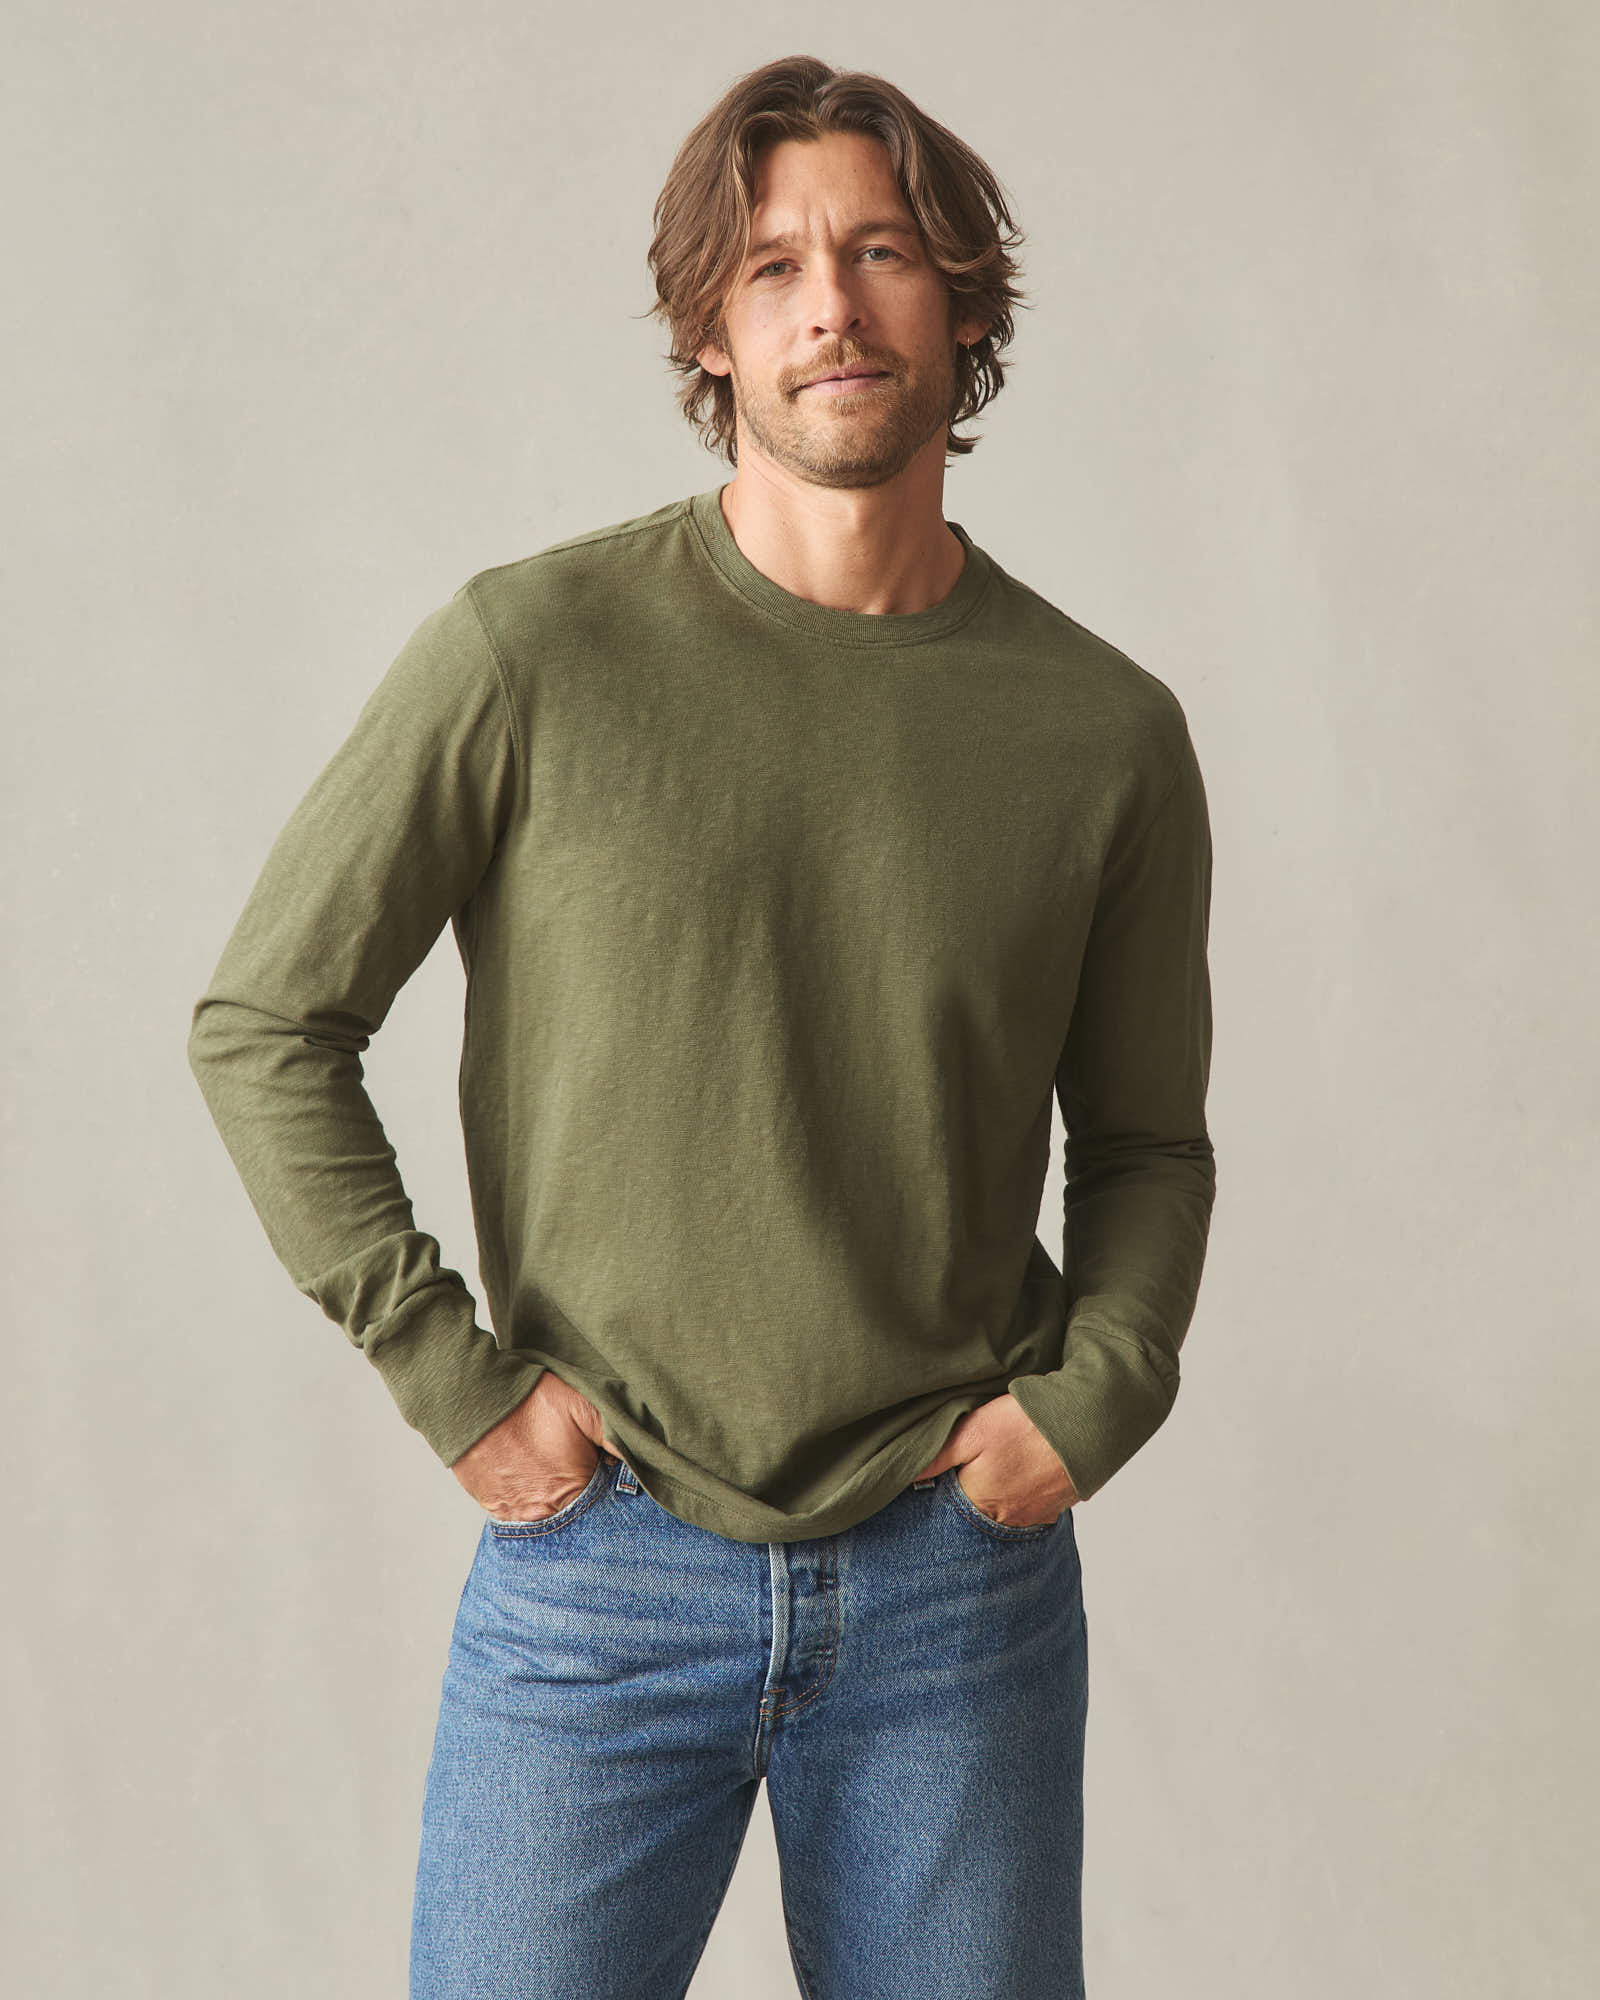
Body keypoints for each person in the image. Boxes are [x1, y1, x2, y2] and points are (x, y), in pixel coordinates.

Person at [187, 52, 1216, 2000]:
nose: (831, 304)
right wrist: (451, 1381)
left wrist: (1093, 1400)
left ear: (963, 304)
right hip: (602, 1571)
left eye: (881, 251)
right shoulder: (527, 655)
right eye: (771, 266)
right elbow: (267, 1019)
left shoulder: (1103, 735)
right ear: (709, 332)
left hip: (954, 1590)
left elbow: (1148, 1141)